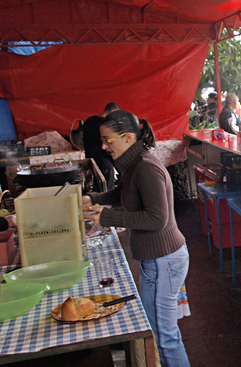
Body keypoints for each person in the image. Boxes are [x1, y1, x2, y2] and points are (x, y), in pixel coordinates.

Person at [82, 110, 190, 367]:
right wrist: (94, 199)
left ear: (128, 137)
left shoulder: (146, 168)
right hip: (159, 260)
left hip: (164, 260)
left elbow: (156, 219)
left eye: (108, 140)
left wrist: (107, 219)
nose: (103, 146)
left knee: (163, 336)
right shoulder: (133, 165)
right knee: (159, 330)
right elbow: (124, 194)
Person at [82, 102, 120, 190]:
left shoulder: (89, 121)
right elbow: (108, 146)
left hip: (90, 159)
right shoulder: (105, 125)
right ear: (113, 112)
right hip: (104, 162)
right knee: (107, 192)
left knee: (98, 188)